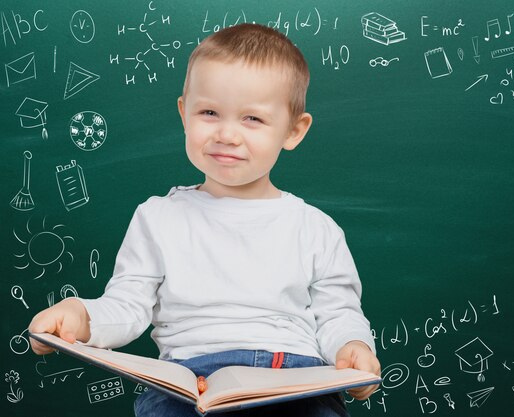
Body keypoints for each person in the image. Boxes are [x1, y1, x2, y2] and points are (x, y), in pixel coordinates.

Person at [28, 23, 380, 417]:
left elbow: (338, 314)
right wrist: (82, 316)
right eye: (209, 112)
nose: (227, 134)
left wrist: (354, 347)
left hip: (295, 380)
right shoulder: (158, 217)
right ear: (184, 112)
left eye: (253, 119)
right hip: (188, 384)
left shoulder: (316, 229)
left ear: (293, 131)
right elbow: (128, 305)